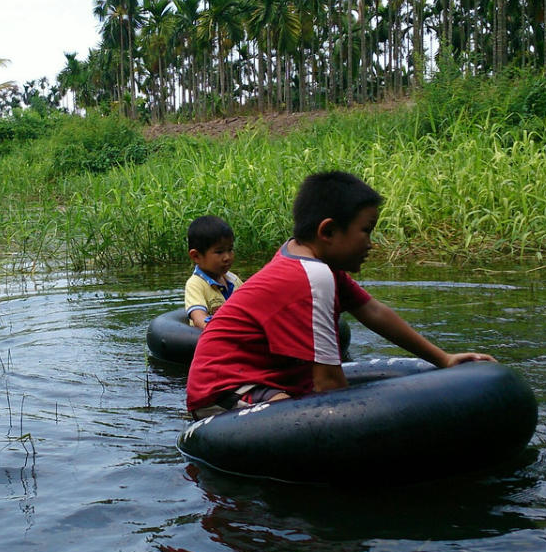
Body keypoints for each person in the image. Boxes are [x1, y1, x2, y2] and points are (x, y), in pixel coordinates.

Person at [186, 171, 496, 420]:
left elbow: (373, 310)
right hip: (223, 387)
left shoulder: (314, 261)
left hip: (259, 376)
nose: (371, 244)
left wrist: (443, 358)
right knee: (291, 417)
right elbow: (329, 384)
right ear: (328, 232)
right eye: (367, 230)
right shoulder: (312, 276)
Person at [184, 215, 242, 330]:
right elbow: (198, 318)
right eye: (219, 252)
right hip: (210, 339)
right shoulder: (195, 284)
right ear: (196, 256)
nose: (227, 257)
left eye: (230, 250)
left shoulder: (233, 280)